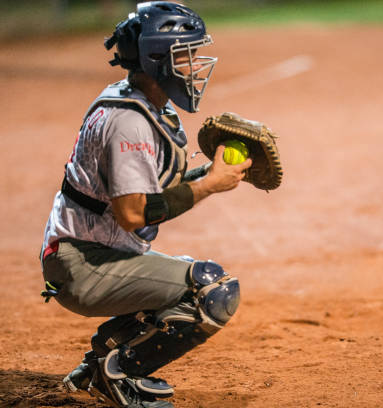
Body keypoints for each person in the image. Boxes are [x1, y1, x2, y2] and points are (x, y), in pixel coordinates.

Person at [39, 3, 252, 407]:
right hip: (84, 265)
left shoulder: (138, 102)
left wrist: (211, 174)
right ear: (157, 60)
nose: (194, 63)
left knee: (182, 279)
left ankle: (97, 364)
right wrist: (208, 187)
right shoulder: (130, 122)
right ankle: (119, 373)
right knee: (212, 290)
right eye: (184, 55)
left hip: (87, 254)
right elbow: (134, 213)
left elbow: (147, 191)